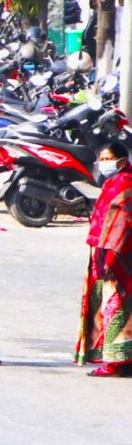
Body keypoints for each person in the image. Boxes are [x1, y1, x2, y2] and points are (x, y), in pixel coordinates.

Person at [74, 140, 131, 376]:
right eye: (102, 159)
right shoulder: (113, 182)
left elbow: (123, 222)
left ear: (123, 160)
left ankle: (116, 361)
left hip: (118, 254)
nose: (104, 163)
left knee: (115, 305)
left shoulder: (125, 183)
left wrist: (111, 254)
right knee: (111, 305)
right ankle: (121, 358)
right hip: (104, 250)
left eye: (108, 159)